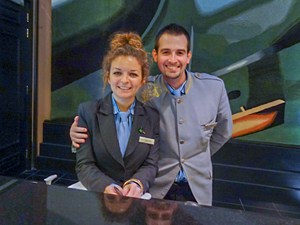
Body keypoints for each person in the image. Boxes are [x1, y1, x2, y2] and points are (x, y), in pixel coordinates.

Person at [71, 23, 232, 205]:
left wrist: (197, 155)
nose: (172, 59)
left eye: (179, 53)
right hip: (157, 184)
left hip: (197, 184)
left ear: (188, 57)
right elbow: (114, 105)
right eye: (165, 52)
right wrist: (77, 133)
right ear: (155, 55)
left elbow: (223, 132)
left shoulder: (214, 88)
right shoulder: (144, 90)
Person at [75, 31, 160, 198]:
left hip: (136, 200)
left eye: (133, 74)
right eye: (117, 73)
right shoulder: (87, 112)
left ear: (143, 80)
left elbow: (151, 164)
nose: (125, 80)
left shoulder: (152, 116)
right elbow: (84, 165)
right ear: (108, 76)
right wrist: (106, 186)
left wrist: (137, 183)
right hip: (98, 198)